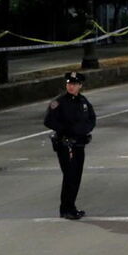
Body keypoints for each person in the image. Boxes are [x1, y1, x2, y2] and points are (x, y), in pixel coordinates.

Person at [44, 71, 96, 220]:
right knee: (70, 176)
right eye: (69, 83)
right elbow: (48, 120)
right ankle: (66, 209)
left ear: (80, 85)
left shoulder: (83, 101)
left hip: (79, 144)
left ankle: (71, 207)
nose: (71, 86)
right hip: (66, 144)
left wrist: (86, 129)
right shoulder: (59, 102)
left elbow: (92, 118)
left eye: (74, 84)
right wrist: (67, 130)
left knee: (76, 176)